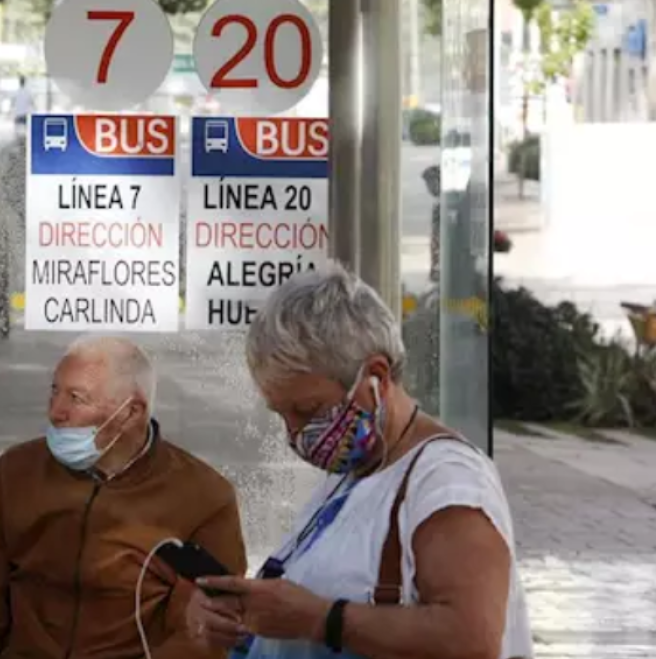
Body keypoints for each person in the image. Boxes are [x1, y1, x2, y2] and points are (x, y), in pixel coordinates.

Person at [185, 263, 532, 659]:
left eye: (307, 409)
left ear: (376, 377)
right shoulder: (352, 478)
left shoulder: (446, 481)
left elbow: (472, 639)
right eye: (282, 415)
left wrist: (320, 620)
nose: (295, 434)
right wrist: (236, 616)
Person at [0, 335, 247, 659]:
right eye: (54, 391)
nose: (56, 412)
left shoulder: (203, 496)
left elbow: (205, 632)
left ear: (131, 412)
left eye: (76, 398)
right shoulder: (18, 471)